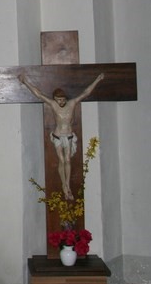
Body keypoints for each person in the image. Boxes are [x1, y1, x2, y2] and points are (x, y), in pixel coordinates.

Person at [19, 72, 105, 200]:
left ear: (65, 98)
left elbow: (85, 93)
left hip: (69, 135)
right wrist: (26, 82)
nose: (61, 102)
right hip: (58, 136)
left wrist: (97, 80)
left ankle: (67, 185)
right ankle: (64, 185)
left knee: (68, 160)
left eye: (63, 99)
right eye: (58, 100)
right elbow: (39, 94)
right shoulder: (53, 105)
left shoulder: (72, 104)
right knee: (62, 160)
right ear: (55, 99)